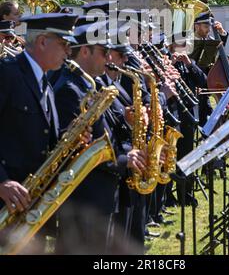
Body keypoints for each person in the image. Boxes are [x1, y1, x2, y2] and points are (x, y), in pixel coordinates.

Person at [54, 21, 146, 254]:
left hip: (99, 194)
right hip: (85, 199)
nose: (108, 60)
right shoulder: (70, 89)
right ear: (85, 51)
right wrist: (125, 159)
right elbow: (81, 151)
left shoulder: (86, 85)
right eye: (104, 52)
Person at [0, 13, 82, 252]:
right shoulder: (7, 74)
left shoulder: (44, 81)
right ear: (43, 41)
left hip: (29, 206)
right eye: (64, 44)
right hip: (7, 203)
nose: (68, 52)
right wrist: (1, 181)